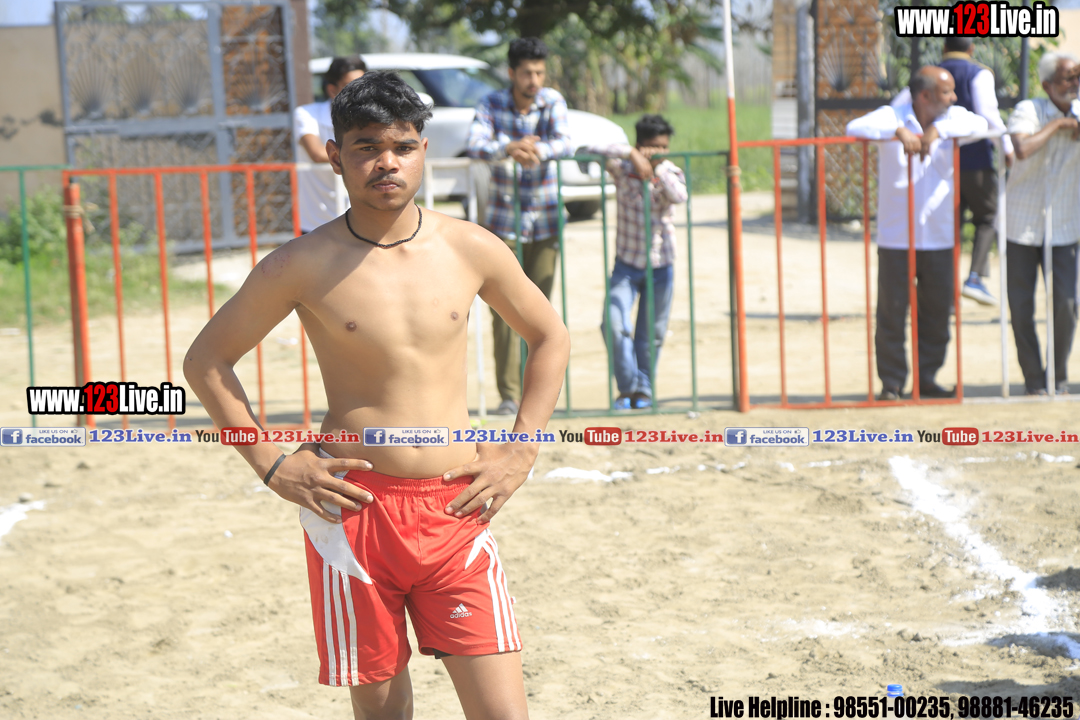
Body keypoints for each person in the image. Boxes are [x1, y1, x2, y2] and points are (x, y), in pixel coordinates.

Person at [185, 71, 569, 720]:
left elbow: (550, 336)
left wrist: (521, 450)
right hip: (354, 513)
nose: (386, 162)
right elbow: (206, 360)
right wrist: (270, 463)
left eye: (402, 146)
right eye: (366, 147)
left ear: (423, 151)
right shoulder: (301, 263)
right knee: (384, 713)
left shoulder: (471, 247)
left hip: (456, 507)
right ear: (336, 156)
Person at [846, 66, 988, 401]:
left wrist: (938, 130)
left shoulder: (952, 118)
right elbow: (855, 127)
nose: (953, 97)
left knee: (937, 313)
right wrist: (898, 131)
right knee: (892, 313)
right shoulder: (892, 115)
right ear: (925, 96)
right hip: (896, 237)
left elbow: (982, 125)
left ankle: (927, 379)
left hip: (939, 236)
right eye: (946, 92)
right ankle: (892, 384)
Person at [466, 37, 572, 416]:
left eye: (540, 72)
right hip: (502, 223)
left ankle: (538, 394)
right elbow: (474, 143)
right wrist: (508, 148)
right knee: (504, 311)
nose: (534, 80)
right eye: (527, 73)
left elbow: (566, 142)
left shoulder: (552, 101)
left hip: (545, 219)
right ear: (512, 73)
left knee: (540, 311)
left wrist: (537, 150)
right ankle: (510, 395)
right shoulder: (490, 103)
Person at [582, 115, 687, 409]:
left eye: (664, 147)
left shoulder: (671, 171)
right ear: (640, 145)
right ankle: (628, 388)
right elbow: (587, 149)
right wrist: (630, 154)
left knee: (651, 334)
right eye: (653, 147)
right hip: (627, 264)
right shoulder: (623, 168)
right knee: (613, 324)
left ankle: (644, 392)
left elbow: (680, 196)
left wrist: (657, 168)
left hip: (661, 265)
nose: (659, 152)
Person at [1005, 51, 1080, 396]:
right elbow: (1022, 148)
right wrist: (1059, 125)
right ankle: (1033, 379)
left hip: (1064, 224)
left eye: (1078, 77)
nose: (1075, 83)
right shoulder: (1029, 110)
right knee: (1021, 307)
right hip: (1021, 223)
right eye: (1068, 77)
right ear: (1047, 84)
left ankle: (1057, 376)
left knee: (1066, 303)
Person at [938, 37, 1015, 306]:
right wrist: (1006, 147)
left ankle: (944, 288)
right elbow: (988, 115)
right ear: (971, 49)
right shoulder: (978, 73)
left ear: (944, 48)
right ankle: (974, 278)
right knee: (988, 215)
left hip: (940, 163)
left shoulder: (933, 73)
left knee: (950, 224)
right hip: (974, 161)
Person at [294, 56, 367, 233]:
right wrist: (364, 154)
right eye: (351, 86)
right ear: (332, 89)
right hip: (317, 218)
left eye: (363, 85)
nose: (359, 92)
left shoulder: (371, 119)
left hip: (360, 215)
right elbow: (317, 153)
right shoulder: (307, 114)